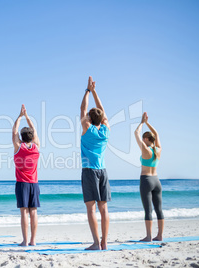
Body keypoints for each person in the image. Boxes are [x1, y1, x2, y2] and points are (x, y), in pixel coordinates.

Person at [80, 76, 111, 250]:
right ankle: (104, 243)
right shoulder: (105, 130)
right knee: (103, 208)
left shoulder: (87, 128)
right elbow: (103, 111)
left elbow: (83, 108)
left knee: (91, 209)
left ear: (89, 119)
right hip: (102, 171)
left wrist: (87, 91)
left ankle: (96, 243)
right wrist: (94, 91)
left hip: (89, 171)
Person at [12, 104, 41, 246]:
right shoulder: (36, 147)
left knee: (24, 212)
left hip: (22, 183)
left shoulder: (19, 147)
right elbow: (34, 130)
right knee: (33, 212)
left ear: (22, 138)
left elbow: (14, 131)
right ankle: (33, 241)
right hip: (34, 183)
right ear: (32, 137)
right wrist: (27, 116)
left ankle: (25, 241)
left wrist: (19, 116)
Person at [134, 112, 164, 241]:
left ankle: (149, 236)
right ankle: (160, 235)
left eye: (143, 138)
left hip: (146, 180)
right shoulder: (158, 149)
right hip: (157, 180)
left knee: (148, 210)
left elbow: (136, 133)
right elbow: (156, 134)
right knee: (159, 209)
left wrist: (141, 122)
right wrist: (147, 123)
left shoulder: (145, 150)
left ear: (146, 139)